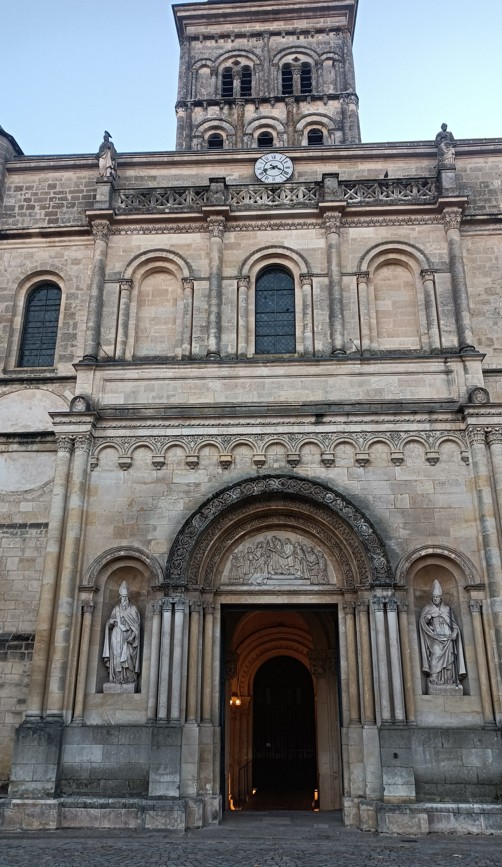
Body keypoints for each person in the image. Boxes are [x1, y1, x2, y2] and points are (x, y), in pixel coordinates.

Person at [419, 579, 466, 687]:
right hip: (435, 638)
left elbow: (454, 625)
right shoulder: (428, 608)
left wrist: (455, 632)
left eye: (437, 597)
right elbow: (423, 623)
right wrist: (427, 618)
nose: (435, 598)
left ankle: (450, 679)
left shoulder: (447, 609)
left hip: (448, 637)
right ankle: (434, 677)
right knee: (435, 655)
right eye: (434, 597)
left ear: (440, 597)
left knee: (450, 659)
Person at [103, 580, 141, 685]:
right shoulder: (116, 609)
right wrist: (111, 622)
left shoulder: (133, 609)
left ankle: (128, 677)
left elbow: (137, 626)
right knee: (116, 656)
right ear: (120, 597)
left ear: (128, 597)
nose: (124, 599)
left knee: (128, 657)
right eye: (123, 597)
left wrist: (132, 637)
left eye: (126, 597)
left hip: (128, 639)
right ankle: (117, 678)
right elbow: (109, 623)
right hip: (116, 636)